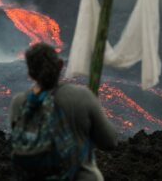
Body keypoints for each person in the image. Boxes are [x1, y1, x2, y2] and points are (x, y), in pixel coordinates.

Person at [9, 43, 117, 180]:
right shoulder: (82, 96)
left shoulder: (19, 103)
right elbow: (110, 141)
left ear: (30, 73)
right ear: (60, 65)